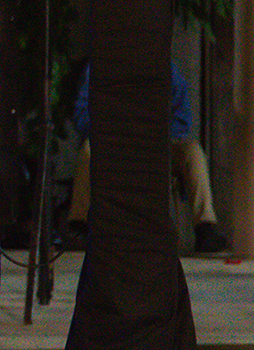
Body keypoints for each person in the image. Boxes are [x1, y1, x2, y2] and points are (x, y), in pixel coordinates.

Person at [68, 61, 229, 253]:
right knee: (89, 149)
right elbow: (81, 114)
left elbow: (183, 118)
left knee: (193, 152)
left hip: (159, 143)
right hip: (115, 143)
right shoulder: (100, 65)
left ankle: (205, 226)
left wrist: (155, 134)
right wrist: (116, 130)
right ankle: (79, 224)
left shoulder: (166, 67)